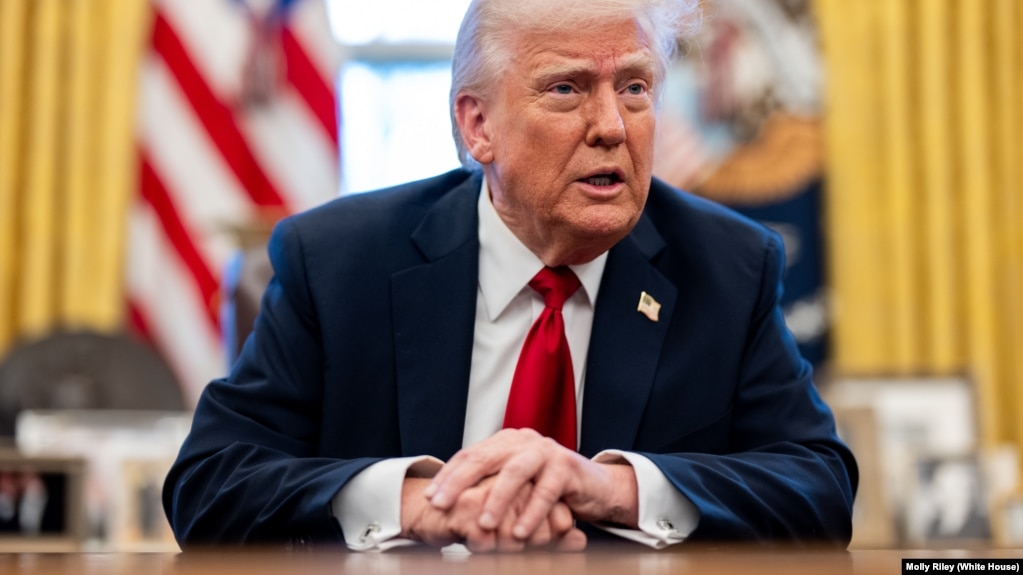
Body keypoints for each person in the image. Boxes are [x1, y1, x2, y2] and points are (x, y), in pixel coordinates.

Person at [163, 0, 857, 552]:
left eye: (636, 87)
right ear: (477, 126)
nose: (613, 125)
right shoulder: (339, 261)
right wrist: (423, 503)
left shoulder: (726, 266)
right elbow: (211, 482)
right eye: (566, 88)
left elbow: (817, 485)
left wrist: (610, 487)